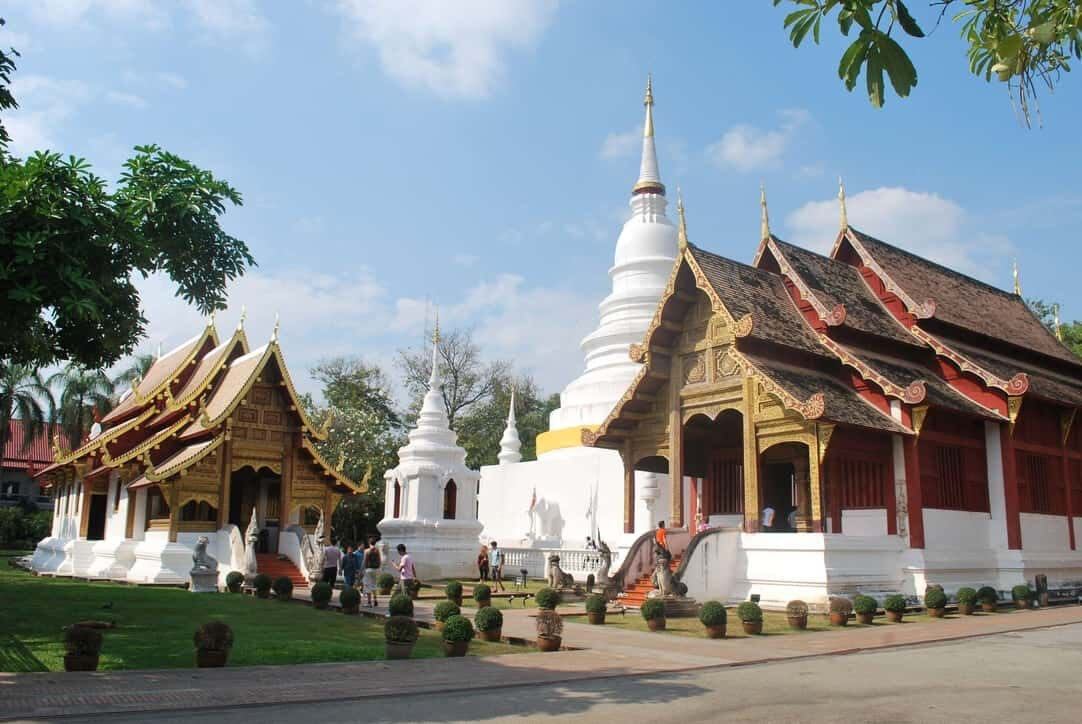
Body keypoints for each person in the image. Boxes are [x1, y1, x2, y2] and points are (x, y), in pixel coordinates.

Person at [362, 536, 382, 607]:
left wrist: (361, 571)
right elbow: (380, 561)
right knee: (374, 585)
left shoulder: (367, 551)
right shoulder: (377, 551)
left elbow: (364, 562)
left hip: (368, 570)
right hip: (375, 570)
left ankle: (369, 602)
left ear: (369, 542)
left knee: (368, 585)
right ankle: (375, 600)